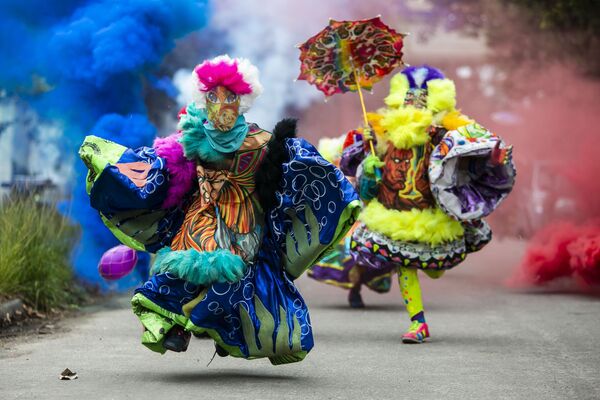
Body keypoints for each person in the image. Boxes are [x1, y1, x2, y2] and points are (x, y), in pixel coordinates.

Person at [79, 55, 360, 364]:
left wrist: (339, 180)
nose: (222, 103)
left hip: (244, 221)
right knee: (180, 270)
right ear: (204, 100)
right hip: (199, 216)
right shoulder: (191, 137)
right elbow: (162, 167)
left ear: (242, 101)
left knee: (235, 282)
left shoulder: (262, 141)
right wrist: (118, 168)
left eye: (229, 97)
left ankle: (223, 328)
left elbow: (301, 167)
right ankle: (177, 329)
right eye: (213, 96)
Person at [308, 65, 516, 343]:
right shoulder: (382, 134)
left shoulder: (445, 134)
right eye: (408, 100)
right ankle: (418, 322)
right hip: (395, 214)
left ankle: (431, 272)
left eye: (420, 101)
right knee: (405, 264)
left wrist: (493, 159)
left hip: (433, 216)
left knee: (435, 269)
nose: (413, 108)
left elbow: (472, 157)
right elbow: (367, 180)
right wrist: (369, 162)